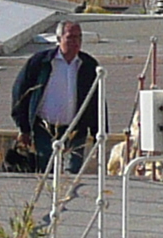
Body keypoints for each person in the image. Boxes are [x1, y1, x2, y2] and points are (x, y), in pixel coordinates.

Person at [9, 19, 102, 166]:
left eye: (79, 37)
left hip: (76, 130)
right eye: (70, 37)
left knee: (74, 170)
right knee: (47, 169)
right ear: (59, 39)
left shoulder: (89, 66)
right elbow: (20, 93)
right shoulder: (40, 63)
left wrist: (99, 135)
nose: (75, 41)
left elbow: (97, 102)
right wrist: (23, 128)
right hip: (45, 129)